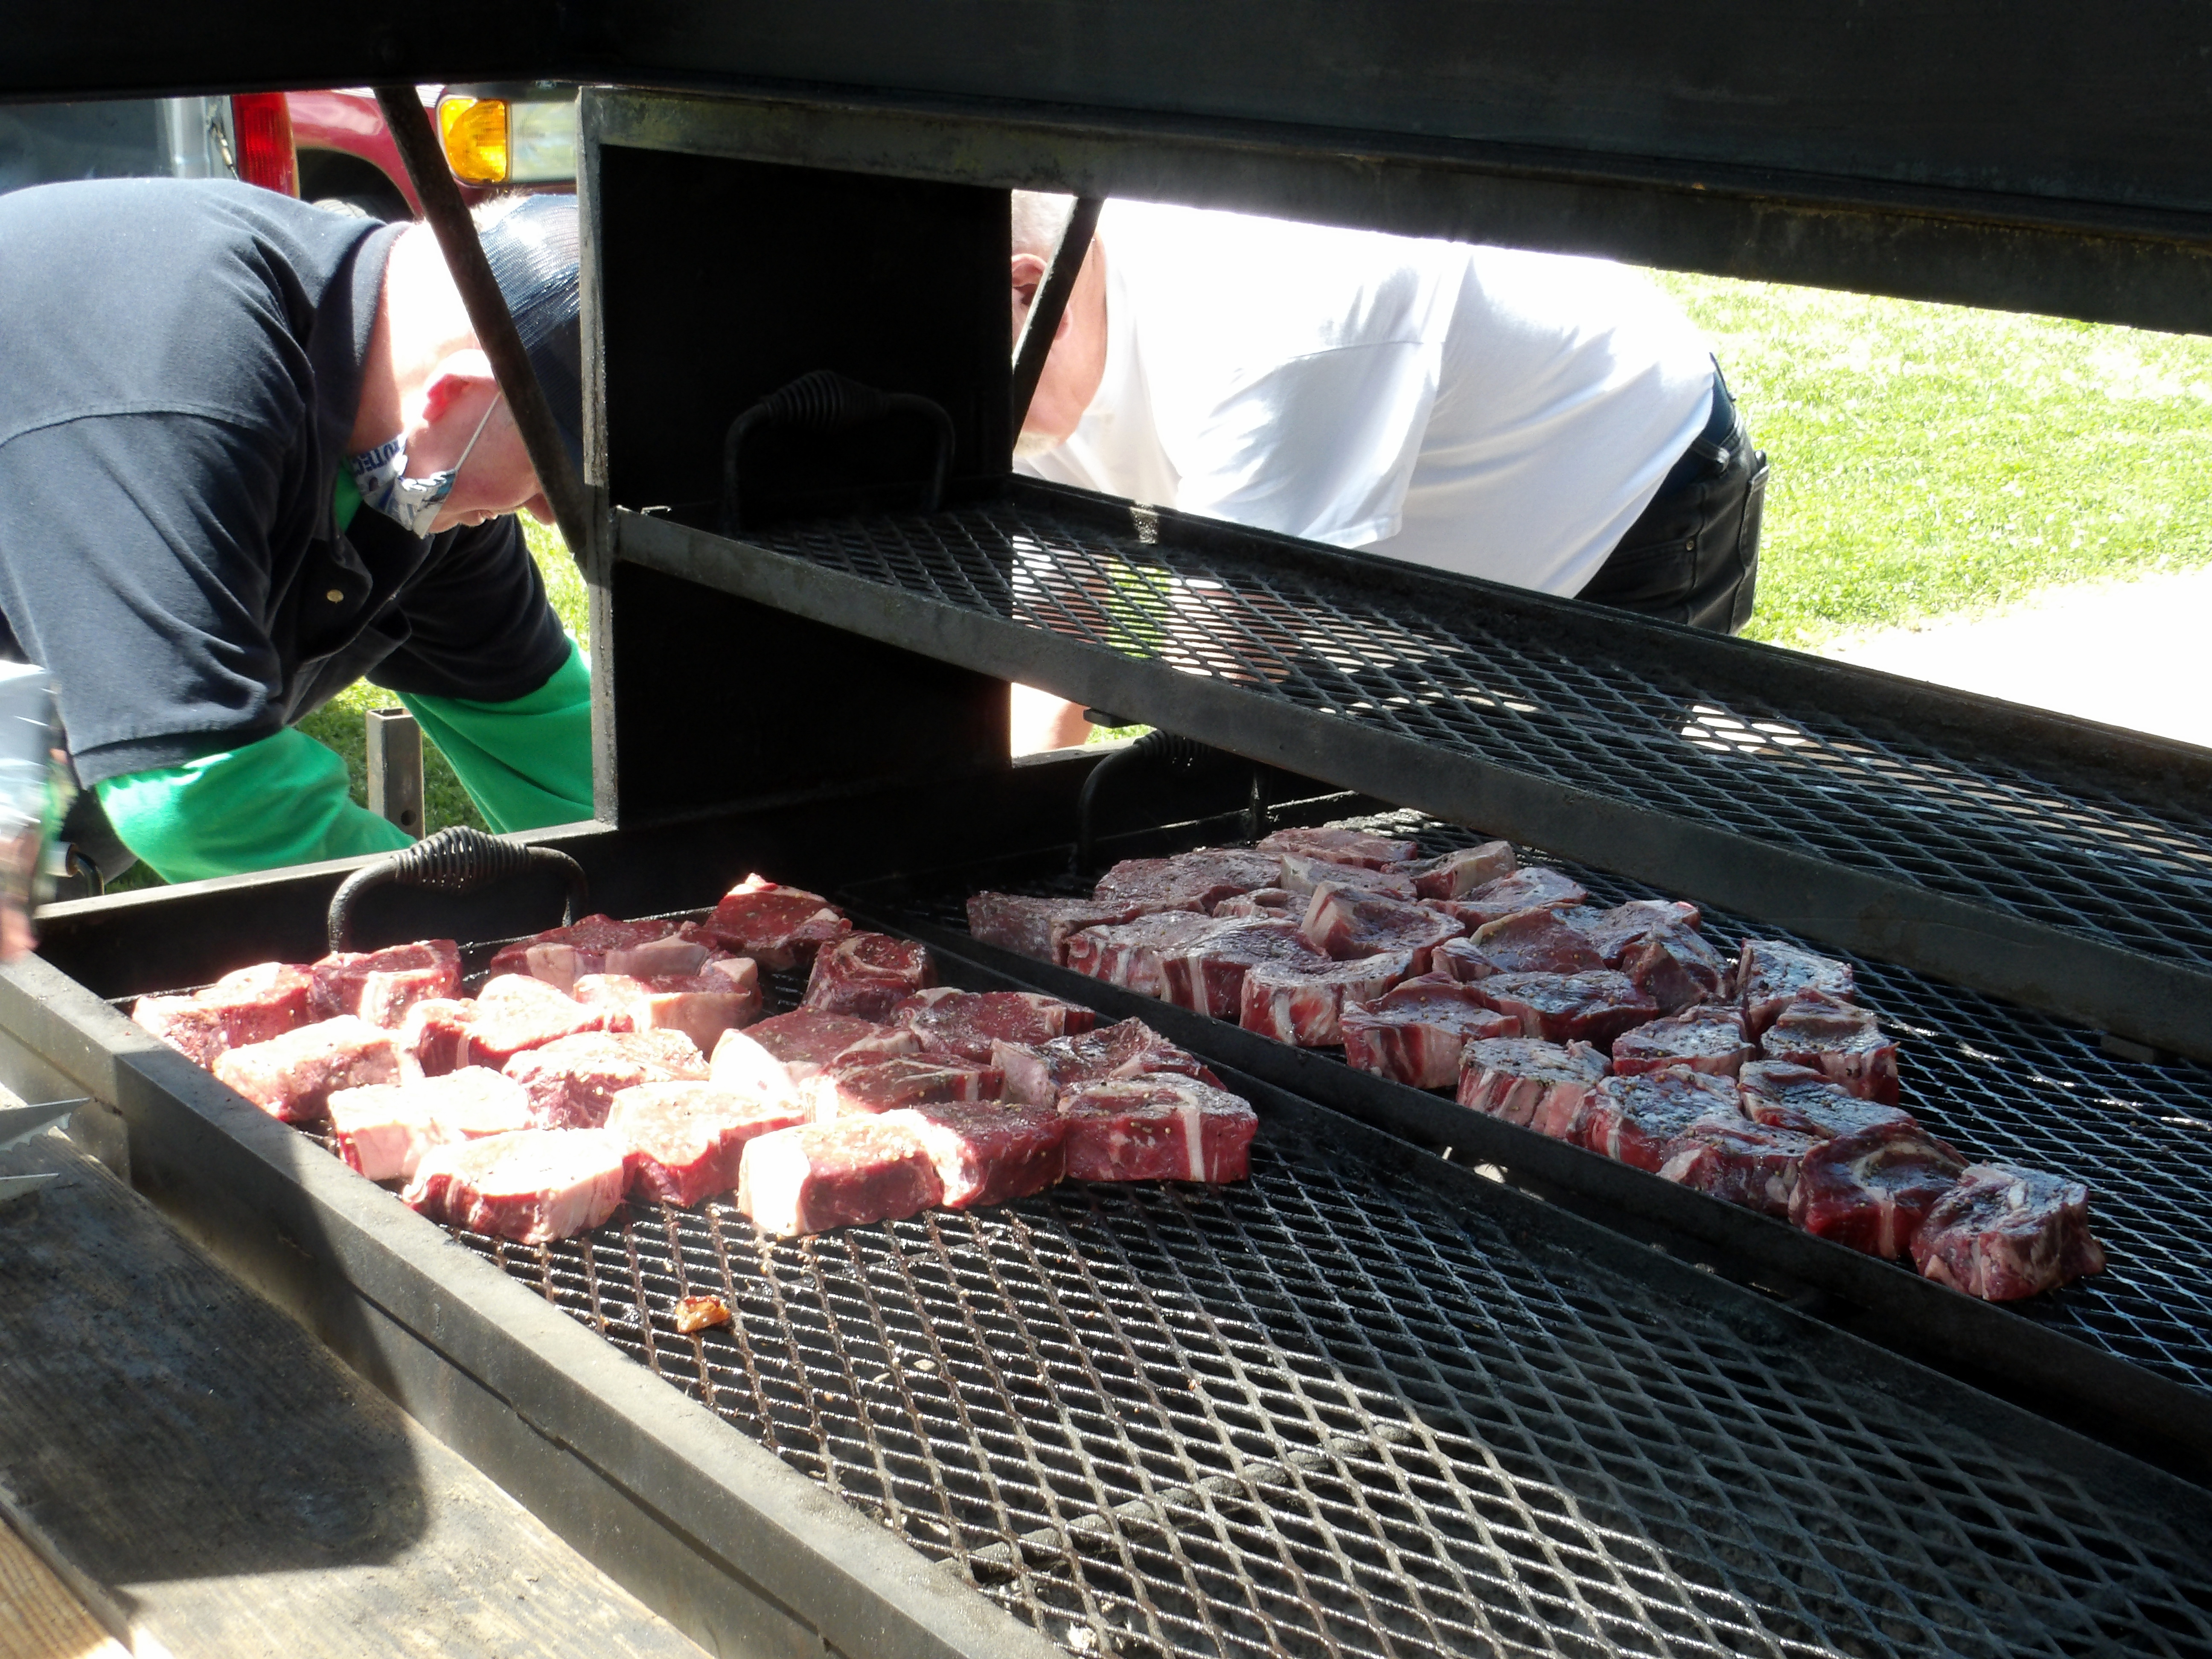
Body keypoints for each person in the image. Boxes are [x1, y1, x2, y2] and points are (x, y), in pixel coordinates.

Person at [1007, 195, 1767, 751]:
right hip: (1376, 570)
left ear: (1030, 292)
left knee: (1581, 867)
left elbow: (1225, 666)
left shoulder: (1265, 316)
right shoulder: (1029, 350)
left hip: (1622, 487)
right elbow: (1054, 626)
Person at [0, 178, 592, 888]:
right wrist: (480, 925)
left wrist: (665, 889)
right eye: (551, 475)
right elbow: (200, 796)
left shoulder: (413, 457)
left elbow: (544, 731)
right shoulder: (185, 374)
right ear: (458, 391)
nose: (550, 515)